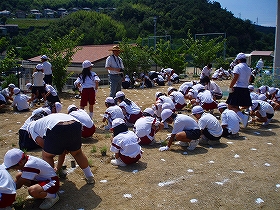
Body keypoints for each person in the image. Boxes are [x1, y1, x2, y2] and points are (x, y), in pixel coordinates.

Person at [27, 113, 94, 184]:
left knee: (47, 155)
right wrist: (58, 167)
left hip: (57, 127)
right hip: (75, 124)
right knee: (77, 153)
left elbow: (44, 145)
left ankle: (52, 182)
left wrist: (57, 149)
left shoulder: (31, 127)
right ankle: (89, 176)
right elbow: (61, 151)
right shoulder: (46, 120)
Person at [226, 53, 252, 128]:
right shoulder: (248, 68)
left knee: (230, 106)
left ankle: (243, 118)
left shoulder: (237, 67)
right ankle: (241, 119)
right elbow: (250, 79)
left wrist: (230, 87)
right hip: (245, 88)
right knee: (236, 106)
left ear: (238, 60)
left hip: (237, 88)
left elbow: (235, 77)